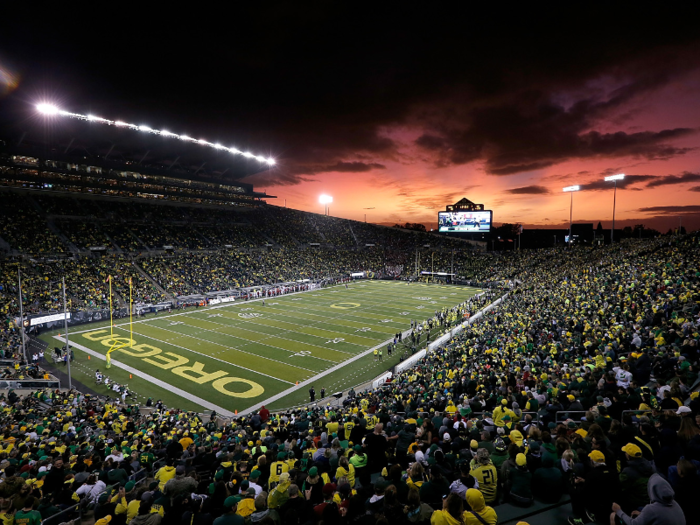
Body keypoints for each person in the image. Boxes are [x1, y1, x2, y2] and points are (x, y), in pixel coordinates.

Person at [611, 474, 686, 525]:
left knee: (613, 516)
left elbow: (633, 524)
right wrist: (642, 515)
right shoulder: (675, 503)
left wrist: (618, 511)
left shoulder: (651, 509)